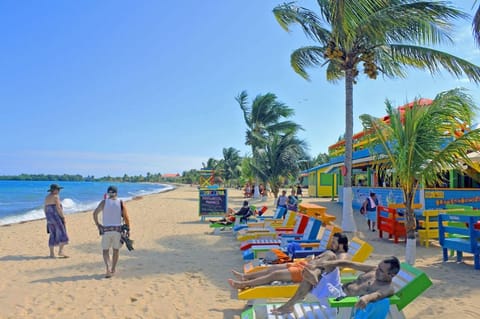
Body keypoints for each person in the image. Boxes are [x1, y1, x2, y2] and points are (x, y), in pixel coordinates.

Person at [271, 256, 401, 316]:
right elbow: (348, 263)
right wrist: (321, 265)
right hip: (338, 288)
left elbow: (377, 295)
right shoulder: (374, 269)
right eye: (378, 267)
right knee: (330, 255)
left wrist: (366, 299)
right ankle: (316, 273)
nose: (376, 270)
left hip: (340, 302)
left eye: (381, 271)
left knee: (308, 279)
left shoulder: (388, 288)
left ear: (391, 275)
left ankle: (289, 305)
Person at [228, 233, 349, 289]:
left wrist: (318, 263)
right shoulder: (332, 251)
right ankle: (245, 276)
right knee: (272, 268)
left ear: (342, 244)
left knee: (274, 275)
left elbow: (338, 267)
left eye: (334, 242)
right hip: (305, 264)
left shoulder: (342, 255)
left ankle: (243, 284)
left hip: (309, 272)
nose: (332, 244)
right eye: (332, 241)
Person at [93, 185, 131, 278]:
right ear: (116, 193)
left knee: (105, 251)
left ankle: (107, 269)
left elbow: (94, 213)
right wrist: (128, 228)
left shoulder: (104, 202)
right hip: (117, 230)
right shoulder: (120, 202)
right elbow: (126, 217)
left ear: (108, 193)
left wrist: (98, 224)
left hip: (106, 230)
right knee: (116, 250)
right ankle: (113, 269)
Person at [44, 184, 69, 258]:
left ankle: (51, 253)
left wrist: (47, 217)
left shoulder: (47, 197)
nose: (59, 191)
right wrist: (63, 217)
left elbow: (45, 208)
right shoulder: (56, 197)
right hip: (56, 217)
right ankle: (60, 251)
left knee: (52, 234)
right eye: (58, 189)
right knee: (62, 233)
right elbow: (58, 208)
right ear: (54, 190)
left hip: (49, 217)